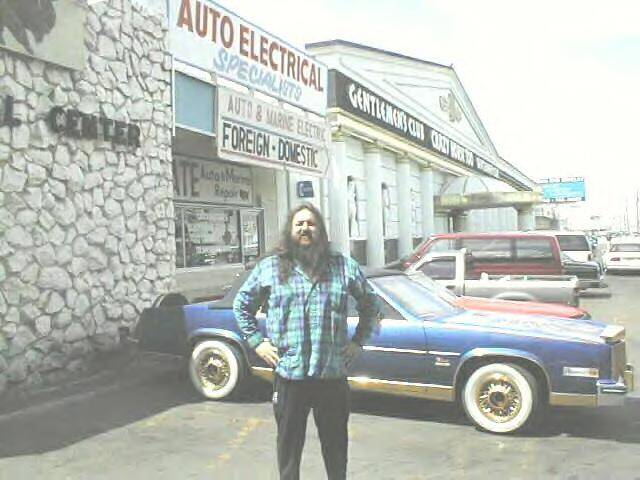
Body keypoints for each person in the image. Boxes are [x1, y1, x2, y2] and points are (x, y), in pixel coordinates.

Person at [233, 203, 379, 480]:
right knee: (288, 449)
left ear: (320, 230)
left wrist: (358, 342)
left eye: (311, 224)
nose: (305, 228)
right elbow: (241, 306)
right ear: (290, 230)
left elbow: (371, 304)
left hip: (331, 377)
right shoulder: (270, 268)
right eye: (299, 223)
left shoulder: (342, 267)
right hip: (290, 377)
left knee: (336, 450)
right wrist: (257, 342)